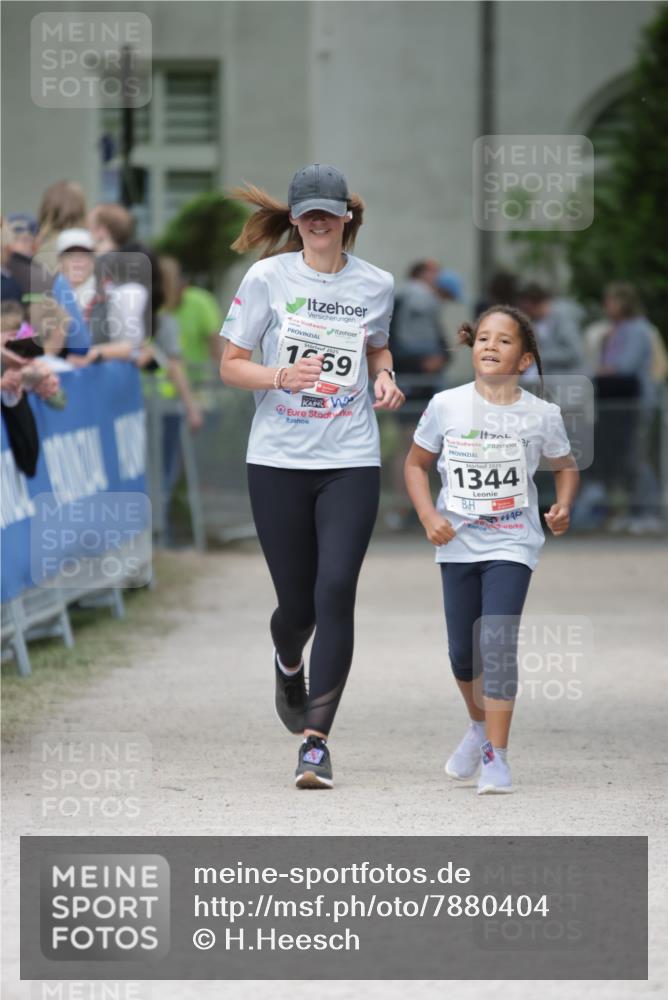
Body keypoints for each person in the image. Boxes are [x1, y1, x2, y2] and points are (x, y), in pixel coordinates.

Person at [219, 163, 404, 789]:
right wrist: (278, 376)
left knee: (336, 593)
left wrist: (383, 374)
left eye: (328, 211)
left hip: (350, 456)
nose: (318, 221)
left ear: (346, 215)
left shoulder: (376, 283)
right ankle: (287, 658)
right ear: (294, 220)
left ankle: (315, 743)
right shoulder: (267, 277)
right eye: (307, 213)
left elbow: (376, 343)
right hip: (277, 459)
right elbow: (231, 366)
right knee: (296, 606)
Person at [404, 305, 579, 794]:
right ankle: (479, 727)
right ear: (471, 345)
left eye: (504, 341)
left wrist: (562, 506)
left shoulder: (541, 414)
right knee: (464, 653)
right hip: (457, 543)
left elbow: (565, 466)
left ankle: (496, 757)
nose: (490, 346)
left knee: (496, 646)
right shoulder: (446, 405)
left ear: (524, 360)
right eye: (483, 338)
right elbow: (416, 465)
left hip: (512, 542)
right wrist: (428, 517)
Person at [516, 282, 585, 378]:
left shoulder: (562, 317)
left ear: (533, 304)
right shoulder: (538, 322)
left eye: (526, 309)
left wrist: (538, 356)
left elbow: (574, 353)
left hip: (571, 380)